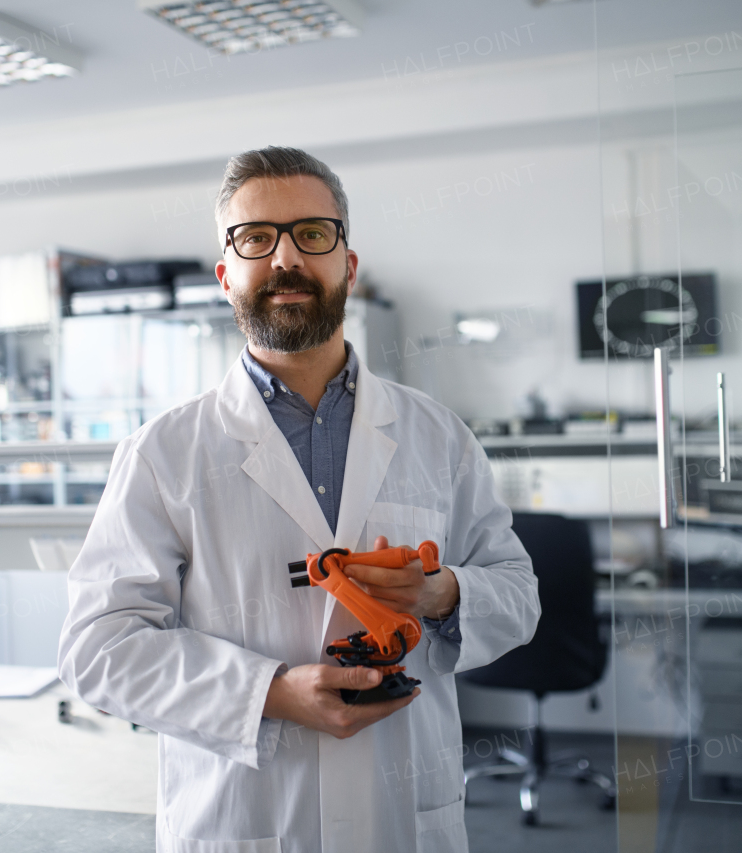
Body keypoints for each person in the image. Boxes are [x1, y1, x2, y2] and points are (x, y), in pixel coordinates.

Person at [58, 146, 539, 853]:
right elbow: (99, 648)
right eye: (256, 238)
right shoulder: (164, 453)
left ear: (348, 263)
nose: (286, 257)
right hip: (241, 817)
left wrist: (439, 593)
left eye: (312, 233)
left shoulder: (439, 437)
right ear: (227, 276)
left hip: (402, 814)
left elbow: (518, 594)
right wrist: (271, 693)